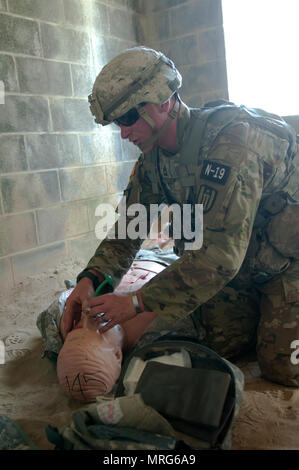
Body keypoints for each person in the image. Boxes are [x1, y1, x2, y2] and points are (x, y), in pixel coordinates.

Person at [61, 46, 299, 387]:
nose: (124, 133)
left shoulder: (234, 145)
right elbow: (127, 233)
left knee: (285, 366)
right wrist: (90, 279)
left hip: (287, 263)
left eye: (128, 118)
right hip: (242, 267)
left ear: (162, 101)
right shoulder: (154, 162)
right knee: (218, 343)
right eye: (117, 123)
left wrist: (136, 301)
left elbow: (219, 257)